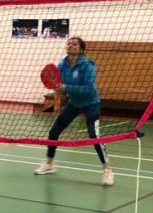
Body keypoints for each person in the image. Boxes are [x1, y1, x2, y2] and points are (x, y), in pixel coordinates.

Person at [34, 36, 114, 186]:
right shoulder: (62, 65)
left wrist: (66, 88)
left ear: (81, 49)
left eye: (75, 44)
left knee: (94, 136)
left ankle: (107, 170)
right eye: (69, 43)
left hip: (91, 104)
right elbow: (60, 85)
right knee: (54, 131)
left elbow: (88, 88)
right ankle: (49, 164)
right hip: (74, 103)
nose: (71, 45)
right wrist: (60, 94)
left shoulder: (87, 65)